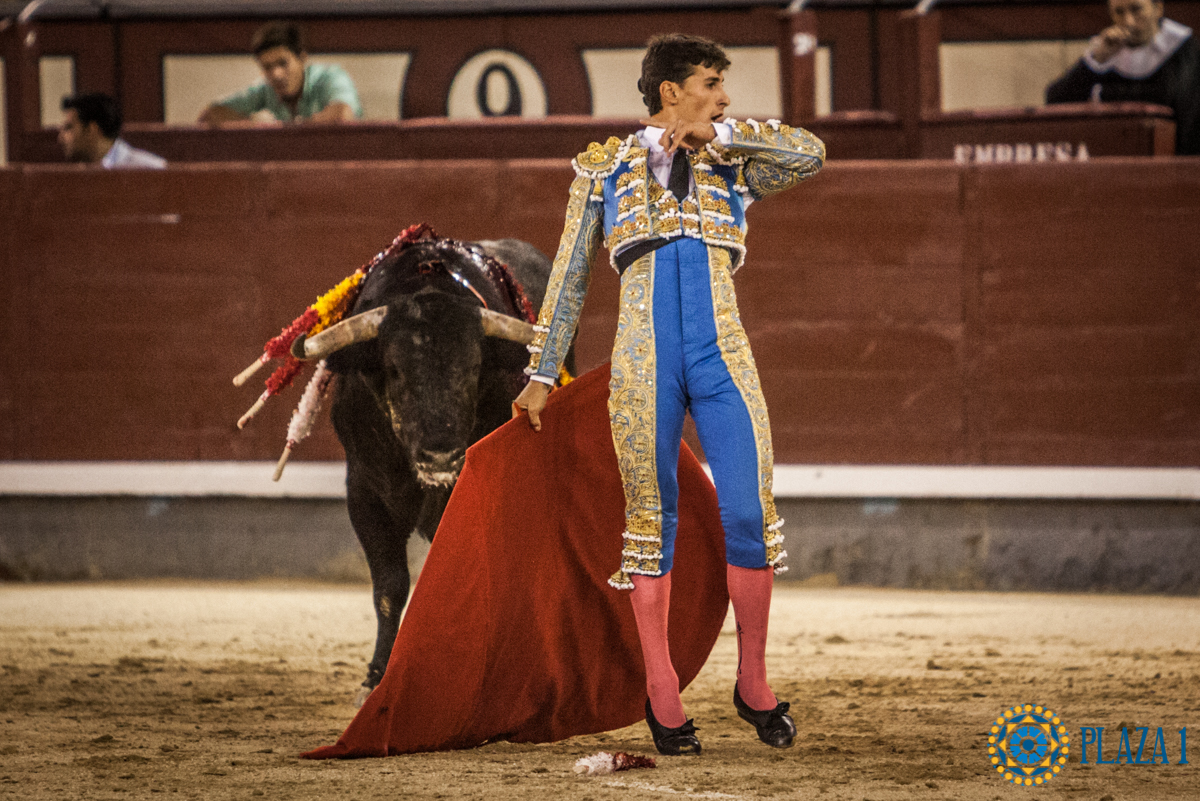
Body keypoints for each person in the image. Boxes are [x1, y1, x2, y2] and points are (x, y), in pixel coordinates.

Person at [512, 34, 824, 755]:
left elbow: (812, 153)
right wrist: (539, 373)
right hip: (643, 361)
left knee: (749, 510)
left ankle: (753, 681)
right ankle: (662, 692)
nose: (725, 96)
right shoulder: (605, 168)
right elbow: (569, 277)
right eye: (712, 84)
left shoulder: (734, 157)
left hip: (722, 355)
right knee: (652, 524)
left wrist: (719, 132)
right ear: (669, 91)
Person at [1045, 0, 1199, 154]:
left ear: (1158, 8)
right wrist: (1097, 60)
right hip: (1113, 160)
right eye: (1119, 12)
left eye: (1136, 9)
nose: (1128, 22)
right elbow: (1056, 100)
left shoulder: (1185, 53)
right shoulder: (1107, 52)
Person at [198, 21, 363, 125]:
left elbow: (343, 114)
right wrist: (254, 128)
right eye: (267, 67)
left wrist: (286, 133)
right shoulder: (264, 90)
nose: (276, 74)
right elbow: (211, 114)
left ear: (302, 58)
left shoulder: (329, 77)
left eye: (283, 63)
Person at [59, 93, 166, 169]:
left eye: (69, 128)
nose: (61, 137)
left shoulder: (148, 169)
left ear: (92, 130)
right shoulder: (78, 174)